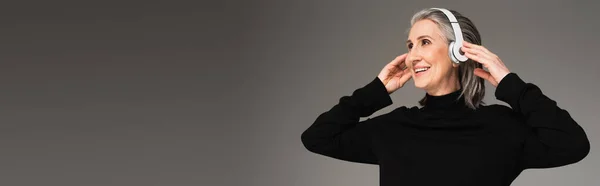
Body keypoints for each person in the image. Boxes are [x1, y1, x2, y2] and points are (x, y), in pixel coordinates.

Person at [300, 7, 590, 186]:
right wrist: (375, 91)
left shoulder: (502, 128)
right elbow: (317, 137)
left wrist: (509, 82)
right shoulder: (393, 129)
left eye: (424, 42)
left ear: (458, 52)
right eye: (410, 45)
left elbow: (573, 144)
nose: (413, 56)